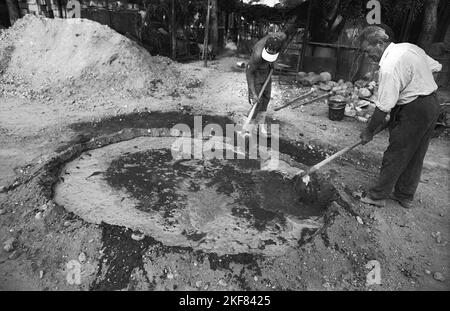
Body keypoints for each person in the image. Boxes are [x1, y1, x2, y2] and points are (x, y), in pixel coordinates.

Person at [358, 26, 442, 209]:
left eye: (367, 50)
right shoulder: (408, 48)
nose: (367, 56)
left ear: (379, 43)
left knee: (396, 152)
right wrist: (419, 88)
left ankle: (378, 196)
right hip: (431, 103)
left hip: (415, 109)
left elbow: (382, 108)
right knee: (416, 153)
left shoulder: (389, 66)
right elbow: (436, 67)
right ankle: (404, 195)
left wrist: (369, 131)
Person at [246, 32, 287, 135]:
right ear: (265, 48)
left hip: (267, 71)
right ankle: (248, 128)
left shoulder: (280, 40)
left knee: (266, 97)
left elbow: (277, 52)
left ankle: (261, 125)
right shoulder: (257, 55)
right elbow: (249, 73)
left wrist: (273, 63)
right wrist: (253, 93)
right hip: (256, 73)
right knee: (257, 101)